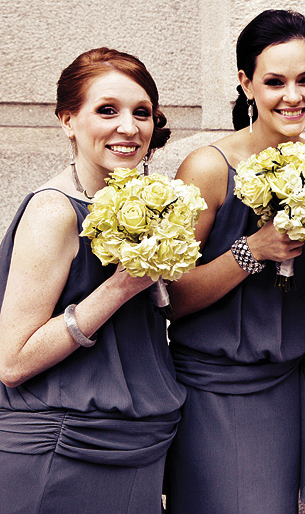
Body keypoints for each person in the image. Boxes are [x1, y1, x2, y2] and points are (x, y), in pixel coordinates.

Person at [163, 9, 305, 514]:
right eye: (275, 81)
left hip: (286, 391)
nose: (293, 96)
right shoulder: (208, 168)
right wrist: (251, 251)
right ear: (246, 84)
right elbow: (167, 298)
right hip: (214, 393)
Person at [0, 48, 184, 513]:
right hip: (63, 448)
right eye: (107, 110)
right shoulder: (54, 210)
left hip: (137, 444)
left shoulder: (142, 205)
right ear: (68, 121)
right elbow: (12, 361)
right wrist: (121, 286)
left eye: (141, 112)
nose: (129, 127)